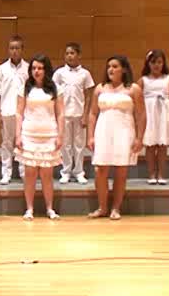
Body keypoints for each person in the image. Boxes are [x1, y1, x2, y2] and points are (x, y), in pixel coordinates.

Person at [88, 55, 146, 220]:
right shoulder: (100, 88)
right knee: (100, 170)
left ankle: (116, 208)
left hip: (124, 131)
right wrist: (90, 136)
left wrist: (139, 138)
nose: (111, 70)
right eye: (109, 67)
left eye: (115, 66)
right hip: (103, 131)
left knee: (121, 171)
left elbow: (141, 114)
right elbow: (92, 113)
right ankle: (102, 207)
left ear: (124, 69)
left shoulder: (133, 88)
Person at [14, 54, 64, 221]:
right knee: (29, 174)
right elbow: (19, 113)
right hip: (29, 134)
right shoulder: (24, 88)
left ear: (46, 70)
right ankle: (29, 209)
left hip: (49, 134)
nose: (37, 71)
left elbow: (61, 114)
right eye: (34, 68)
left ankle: (50, 208)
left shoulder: (56, 89)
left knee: (47, 174)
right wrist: (18, 135)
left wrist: (60, 135)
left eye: (40, 68)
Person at [52, 42, 95, 184]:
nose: (69, 56)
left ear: (79, 55)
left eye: (72, 53)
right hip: (64, 114)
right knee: (65, 145)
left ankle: (79, 172)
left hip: (79, 114)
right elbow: (54, 94)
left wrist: (85, 115)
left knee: (79, 145)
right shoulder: (59, 73)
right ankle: (65, 171)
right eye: (67, 53)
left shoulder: (85, 74)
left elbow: (89, 95)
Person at [0, 35, 29, 185]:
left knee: (23, 143)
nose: (14, 51)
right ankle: (6, 173)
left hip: (24, 113)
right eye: (12, 48)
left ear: (22, 49)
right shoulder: (1, 69)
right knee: (7, 143)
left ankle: (23, 173)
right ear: (8, 50)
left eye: (17, 48)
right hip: (6, 110)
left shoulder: (28, 68)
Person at [137, 49, 169, 185]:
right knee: (150, 145)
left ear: (163, 63)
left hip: (164, 113)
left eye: (159, 62)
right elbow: (138, 102)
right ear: (148, 64)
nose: (156, 65)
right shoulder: (143, 80)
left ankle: (161, 174)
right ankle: (151, 173)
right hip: (149, 113)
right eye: (153, 62)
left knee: (162, 145)